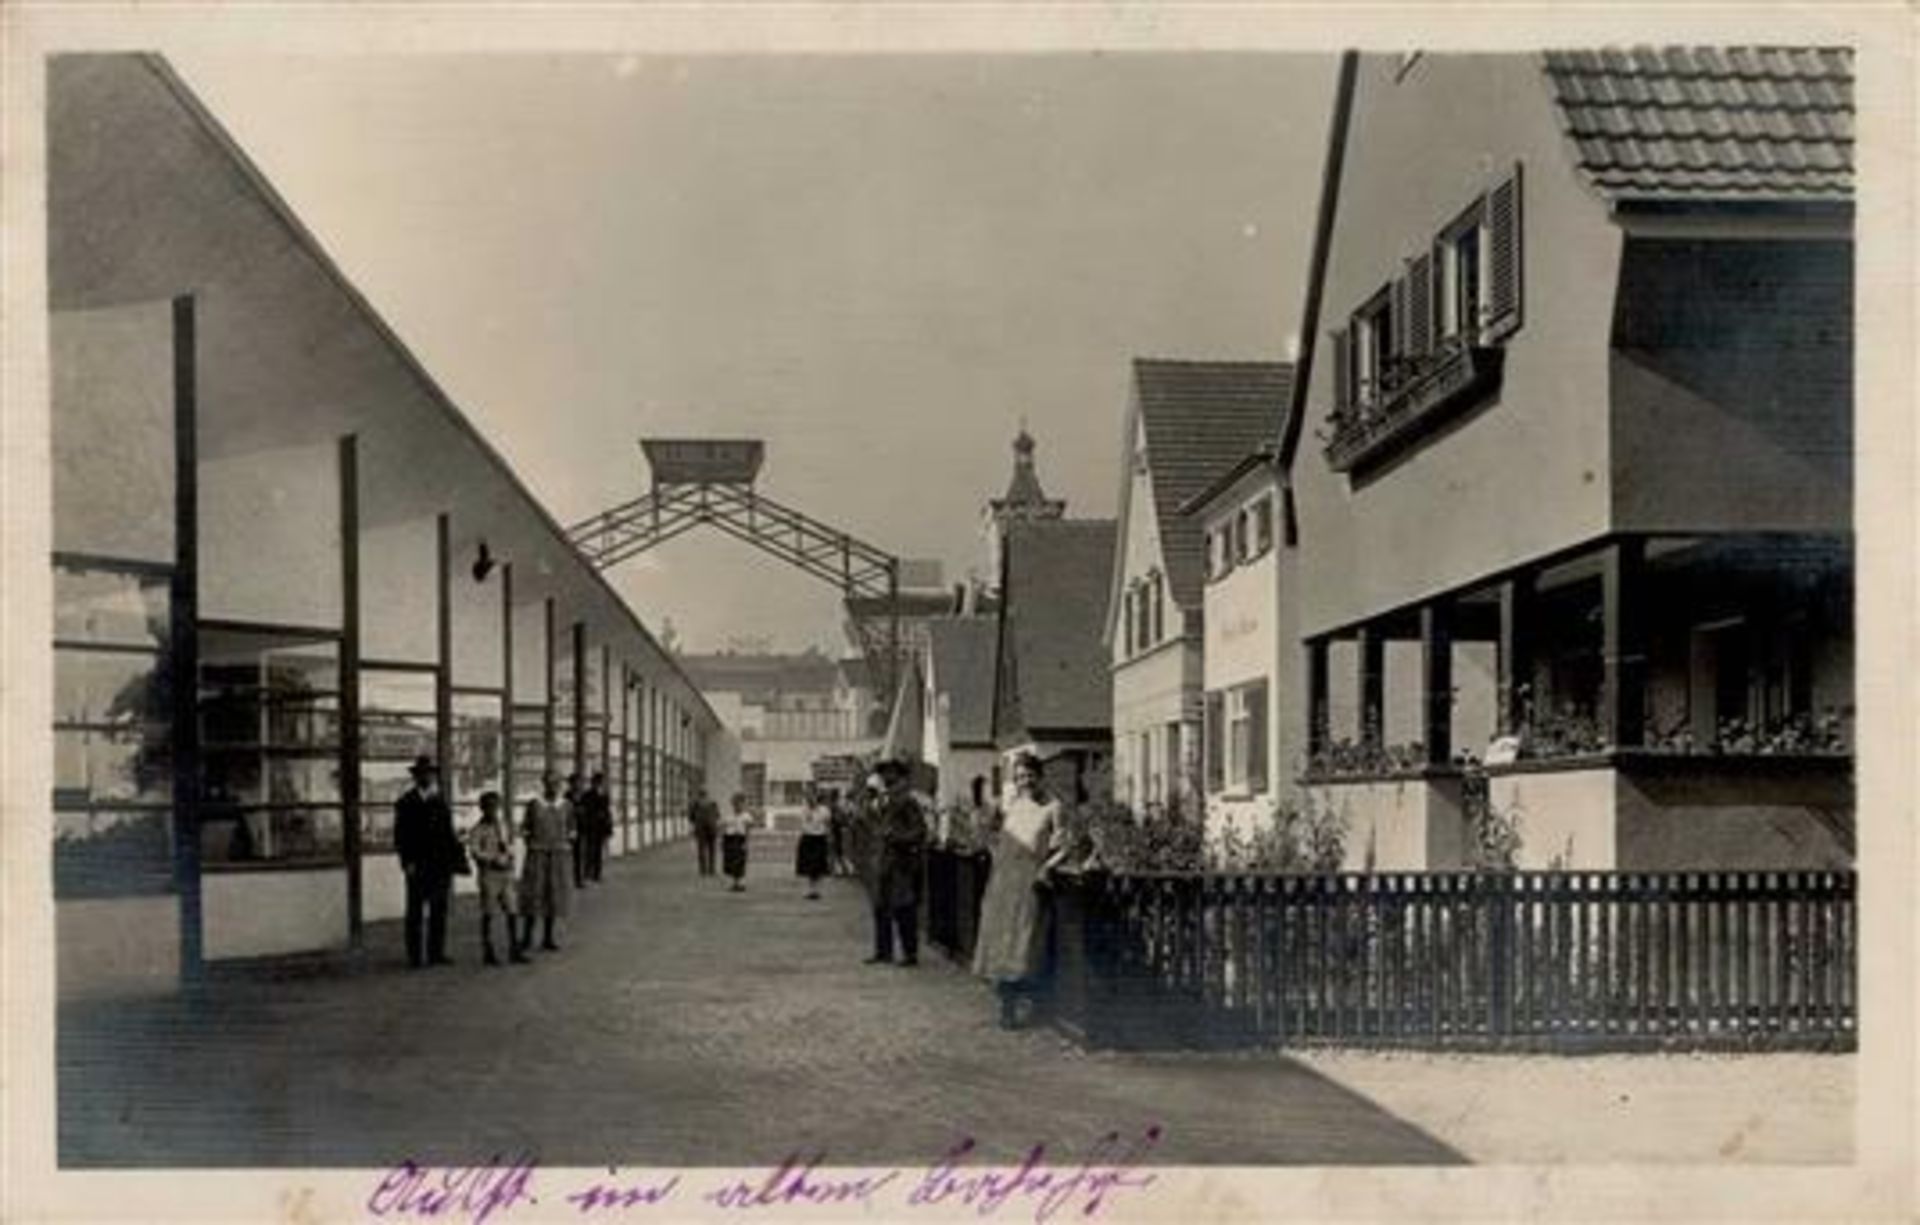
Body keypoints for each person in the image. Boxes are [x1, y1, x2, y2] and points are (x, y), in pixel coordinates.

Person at [972, 752, 1064, 1028]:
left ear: (1040, 776)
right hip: (1002, 881)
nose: (1026, 781)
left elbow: (1063, 846)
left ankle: (1034, 1006)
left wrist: (1046, 868)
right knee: (1001, 943)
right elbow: (992, 834)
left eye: (1030, 775)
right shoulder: (1012, 804)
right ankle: (1007, 1008)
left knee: (1023, 945)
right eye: (1020, 776)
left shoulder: (1053, 807)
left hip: (1029, 882)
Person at [394, 755, 462, 969]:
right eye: (422, 773)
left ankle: (436, 953)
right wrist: (407, 862)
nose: (427, 777)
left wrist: (452, 861)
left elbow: (448, 834)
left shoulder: (440, 802)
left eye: (430, 773)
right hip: (417, 865)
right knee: (415, 910)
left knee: (438, 910)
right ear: (415, 777)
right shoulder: (406, 803)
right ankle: (415, 956)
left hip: (439, 864)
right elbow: (401, 837)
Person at [864, 759, 929, 967]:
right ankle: (884, 951)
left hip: (901, 863)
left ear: (898, 775)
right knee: (881, 907)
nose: (884, 776)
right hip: (884, 861)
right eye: (882, 773)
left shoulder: (907, 800)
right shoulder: (884, 798)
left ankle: (909, 953)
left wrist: (897, 837)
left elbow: (919, 831)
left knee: (903, 908)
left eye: (888, 773)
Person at [467, 790, 528, 966]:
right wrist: (491, 859)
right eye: (489, 807)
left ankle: (514, 949)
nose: (492, 810)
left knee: (512, 910)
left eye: (495, 806)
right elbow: (475, 851)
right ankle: (488, 950)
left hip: (505, 874)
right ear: (482, 808)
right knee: (489, 912)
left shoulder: (503, 825)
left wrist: (508, 854)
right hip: (489, 874)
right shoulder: (477, 830)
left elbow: (510, 844)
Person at [517, 771, 574, 952]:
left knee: (553, 895)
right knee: (533, 894)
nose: (552, 786)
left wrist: (566, 844)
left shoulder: (566, 806)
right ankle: (527, 936)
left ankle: (548, 937)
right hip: (537, 855)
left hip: (558, 856)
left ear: (560, 785)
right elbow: (525, 828)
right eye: (549, 783)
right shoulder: (534, 805)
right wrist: (531, 843)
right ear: (543, 784)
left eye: (556, 783)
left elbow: (572, 829)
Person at [795, 785, 833, 900]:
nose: (811, 799)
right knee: (808, 866)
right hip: (808, 837)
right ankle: (810, 889)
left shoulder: (825, 810)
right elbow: (803, 824)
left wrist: (829, 838)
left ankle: (816, 890)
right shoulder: (804, 810)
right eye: (808, 797)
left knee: (818, 865)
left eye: (813, 796)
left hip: (819, 838)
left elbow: (827, 825)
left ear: (817, 796)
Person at [578, 771, 612, 885]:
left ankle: (596, 873)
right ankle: (589, 873)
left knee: (597, 851)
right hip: (590, 827)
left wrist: (608, 828)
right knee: (590, 851)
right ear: (594, 783)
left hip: (600, 828)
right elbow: (585, 811)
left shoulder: (604, 796)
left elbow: (607, 813)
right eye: (597, 782)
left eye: (600, 782)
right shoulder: (587, 795)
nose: (599, 784)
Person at [719, 793, 754, 892]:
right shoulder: (728, 815)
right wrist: (722, 840)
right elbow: (723, 827)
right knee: (730, 862)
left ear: (743, 804)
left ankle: (741, 883)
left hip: (739, 839)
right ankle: (734, 883)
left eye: (740, 803)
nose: (737, 806)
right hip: (729, 839)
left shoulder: (746, 816)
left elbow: (748, 830)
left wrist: (746, 843)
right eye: (735, 803)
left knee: (740, 862)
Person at [687, 787, 721, 877]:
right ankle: (712, 869)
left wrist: (696, 822)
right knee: (712, 849)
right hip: (712, 828)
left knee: (701, 849)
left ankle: (703, 870)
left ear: (699, 794)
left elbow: (691, 817)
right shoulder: (713, 803)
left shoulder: (695, 804)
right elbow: (718, 815)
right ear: (707, 794)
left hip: (700, 829)